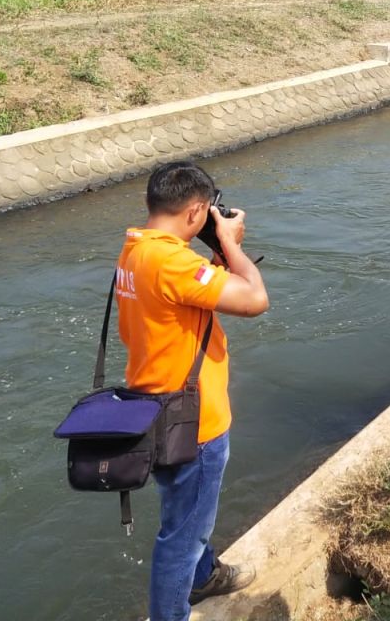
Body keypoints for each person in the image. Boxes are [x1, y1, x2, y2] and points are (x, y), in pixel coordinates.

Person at [117, 161, 269, 620]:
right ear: (197, 211)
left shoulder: (136, 250)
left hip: (154, 405)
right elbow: (255, 299)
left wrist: (217, 255)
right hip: (193, 422)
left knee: (185, 514)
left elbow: (193, 293)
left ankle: (204, 577)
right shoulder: (172, 261)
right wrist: (228, 243)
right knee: (181, 538)